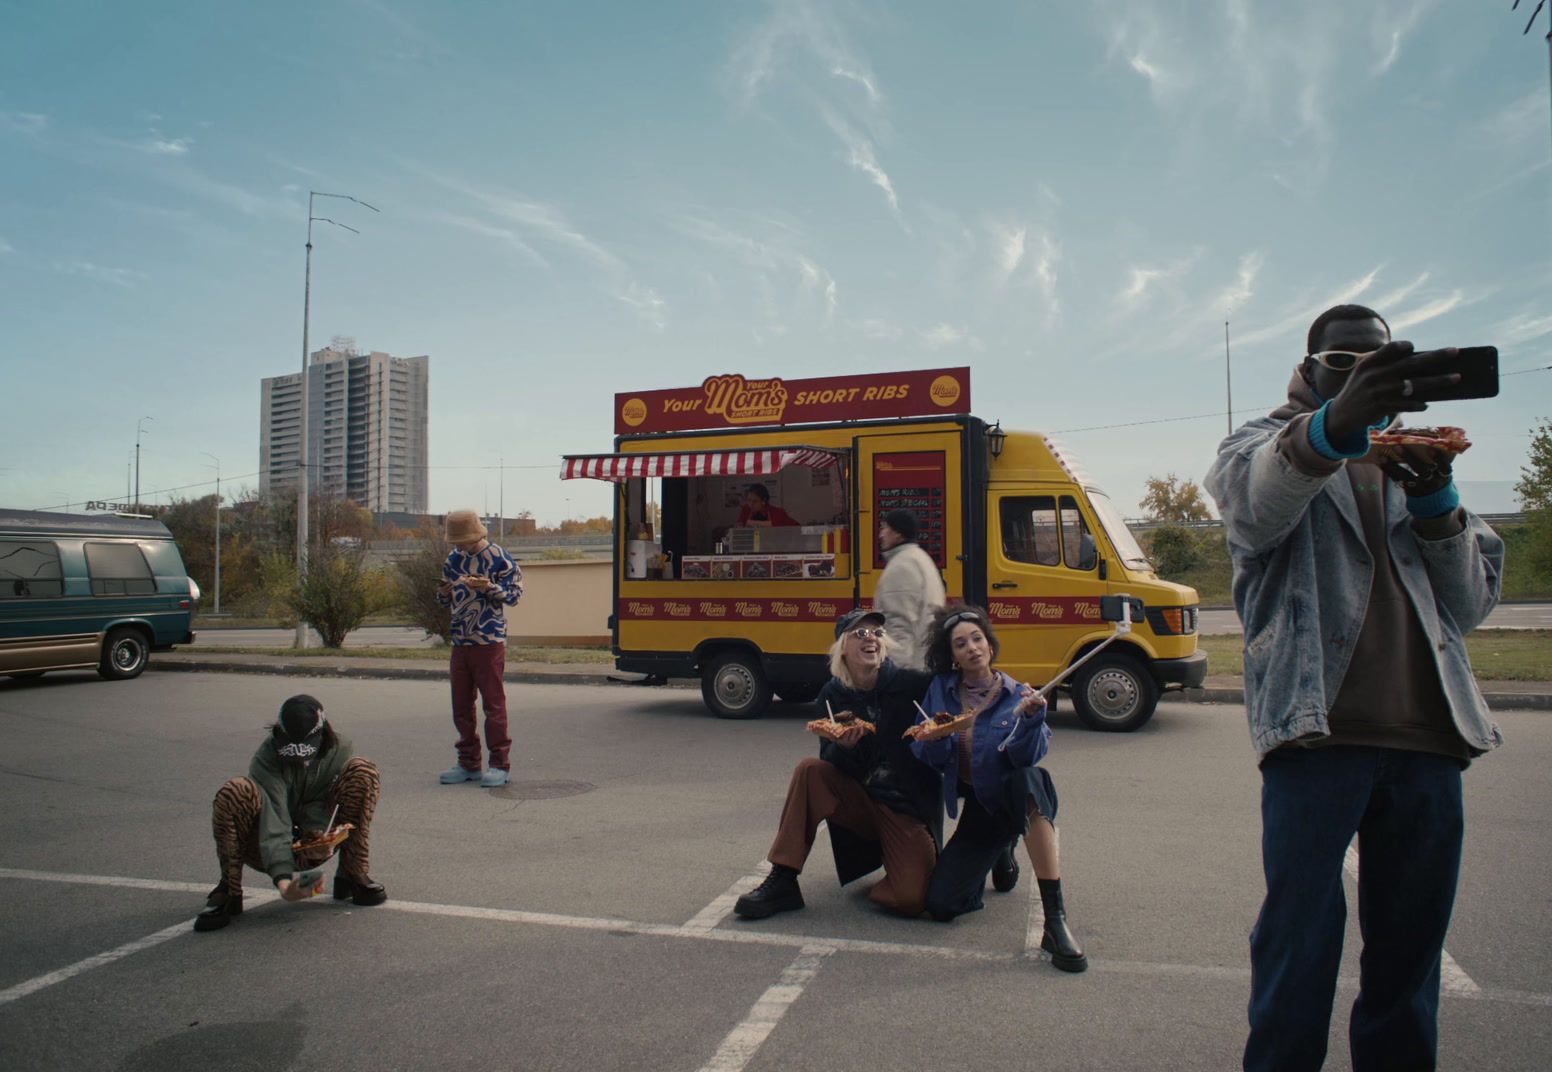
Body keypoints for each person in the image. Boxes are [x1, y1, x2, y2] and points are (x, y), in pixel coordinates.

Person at [1203, 304, 1504, 1071]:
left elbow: (1469, 605)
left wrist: (1437, 497)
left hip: (1430, 738)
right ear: (1309, 369)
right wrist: (1334, 427)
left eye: (1381, 363)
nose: (1368, 375)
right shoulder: (1265, 444)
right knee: (1296, 948)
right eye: (1345, 361)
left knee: (1409, 961)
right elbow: (1251, 509)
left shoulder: (1419, 453)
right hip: (1318, 735)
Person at [909, 604, 1087, 973]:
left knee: (1029, 780)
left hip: (1014, 794)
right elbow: (925, 753)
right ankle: (1002, 848)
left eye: (977, 638)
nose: (972, 647)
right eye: (961, 644)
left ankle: (1055, 921)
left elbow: (1027, 756)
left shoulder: (1016, 694)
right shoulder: (940, 693)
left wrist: (1034, 720)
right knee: (941, 905)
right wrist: (938, 737)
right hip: (980, 808)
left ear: (990, 644)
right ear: (953, 656)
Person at [733, 609, 941, 920]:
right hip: (860, 805)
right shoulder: (833, 696)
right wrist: (843, 748)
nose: (870, 639)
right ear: (842, 647)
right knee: (809, 770)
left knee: (910, 899)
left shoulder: (912, 685)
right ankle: (784, 878)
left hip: (904, 809)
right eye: (860, 634)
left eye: (876, 633)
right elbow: (829, 763)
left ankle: (894, 872)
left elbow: (952, 695)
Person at [194, 694, 385, 932]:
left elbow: (320, 800)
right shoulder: (266, 758)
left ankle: (353, 874)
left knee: (363, 771)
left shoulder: (340, 748)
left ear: (323, 731)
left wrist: (317, 834)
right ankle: (229, 888)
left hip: (316, 841)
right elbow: (275, 815)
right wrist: (285, 882)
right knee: (235, 792)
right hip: (265, 845)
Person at [435, 509, 524, 788]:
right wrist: (443, 593)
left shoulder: (499, 557)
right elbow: (442, 600)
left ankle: (500, 764)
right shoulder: (454, 560)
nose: (459, 546)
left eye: (462, 541)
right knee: (460, 705)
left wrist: (489, 588)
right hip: (460, 640)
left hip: (489, 640)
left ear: (476, 535)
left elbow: (514, 596)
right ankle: (468, 762)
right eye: (456, 542)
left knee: (493, 704)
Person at [873, 508, 946, 669]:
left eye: (885, 528)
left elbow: (899, 627)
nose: (881, 535)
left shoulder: (902, 566)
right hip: (923, 661)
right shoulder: (921, 558)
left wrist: (894, 673)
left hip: (910, 668)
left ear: (898, 533)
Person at [734, 483, 799, 527]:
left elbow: (797, 527)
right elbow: (739, 526)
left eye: (754, 501)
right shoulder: (746, 510)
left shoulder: (778, 513)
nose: (750, 504)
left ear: (763, 501)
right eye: (748, 500)